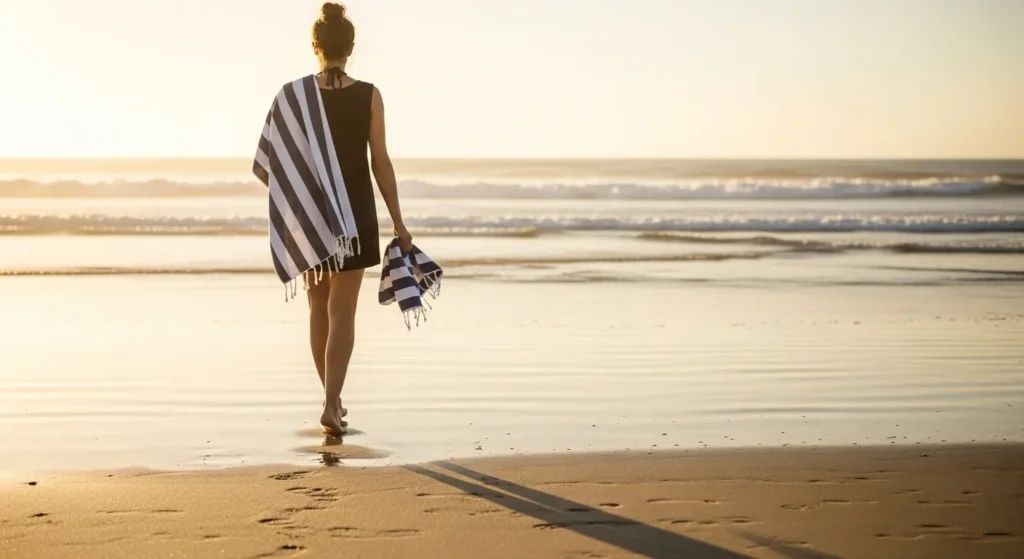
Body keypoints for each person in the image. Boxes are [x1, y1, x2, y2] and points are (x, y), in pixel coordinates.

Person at [307, 2, 413, 436]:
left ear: (315, 46)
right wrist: (398, 222)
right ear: (351, 47)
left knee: (318, 308)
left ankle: (331, 401)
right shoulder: (369, 94)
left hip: (312, 215)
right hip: (354, 214)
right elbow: (380, 162)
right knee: (342, 312)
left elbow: (280, 162)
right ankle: (332, 403)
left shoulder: (295, 96)